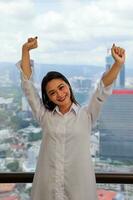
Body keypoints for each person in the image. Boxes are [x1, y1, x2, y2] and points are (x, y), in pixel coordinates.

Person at [17, 37, 125, 200]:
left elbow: (102, 89)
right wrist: (25, 50)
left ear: (68, 86)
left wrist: (118, 64)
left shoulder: (87, 115)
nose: (59, 94)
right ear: (49, 98)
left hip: (79, 190)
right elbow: (28, 88)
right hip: (48, 189)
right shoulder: (45, 117)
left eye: (61, 87)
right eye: (52, 93)